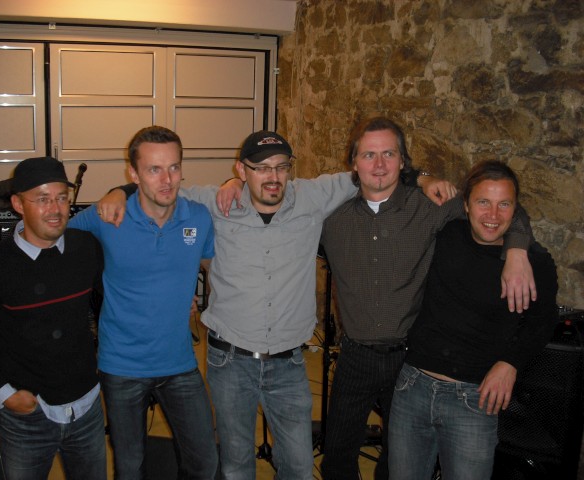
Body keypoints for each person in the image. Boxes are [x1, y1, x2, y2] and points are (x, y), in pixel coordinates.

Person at [91, 129, 533, 480]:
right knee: (235, 466)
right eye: (260, 168)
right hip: (229, 362)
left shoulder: (314, 196)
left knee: (300, 468)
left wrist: (425, 180)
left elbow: (376, 173)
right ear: (241, 170)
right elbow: (159, 188)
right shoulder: (213, 202)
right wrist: (117, 191)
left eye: (281, 167)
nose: (272, 177)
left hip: (289, 365)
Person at [0, 126, 219, 480]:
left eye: (174, 167)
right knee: (129, 468)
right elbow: (46, 234)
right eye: (154, 169)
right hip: (119, 369)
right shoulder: (103, 219)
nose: (167, 179)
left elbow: (213, 266)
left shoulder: (195, 218)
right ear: (134, 173)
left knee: (205, 462)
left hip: (168, 368)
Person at [318, 117, 536, 480]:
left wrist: (516, 250)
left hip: (409, 361)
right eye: (369, 155)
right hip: (354, 356)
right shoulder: (331, 218)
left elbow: (500, 210)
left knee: (398, 460)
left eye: (389, 154)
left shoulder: (431, 207)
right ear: (353, 162)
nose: (379, 164)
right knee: (337, 457)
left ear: (403, 161)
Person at [387, 161, 558, 480]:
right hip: (413, 386)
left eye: (504, 204)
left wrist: (510, 363)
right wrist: (427, 180)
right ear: (465, 205)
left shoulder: (533, 261)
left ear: (516, 209)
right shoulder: (444, 234)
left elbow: (542, 320)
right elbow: (392, 176)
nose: (493, 215)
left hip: (476, 398)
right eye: (483, 202)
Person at [0, 156, 107, 479]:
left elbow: (120, 294)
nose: (55, 209)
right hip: (26, 417)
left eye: (62, 198)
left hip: (86, 408)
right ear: (17, 204)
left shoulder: (87, 248)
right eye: (42, 199)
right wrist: (4, 394)